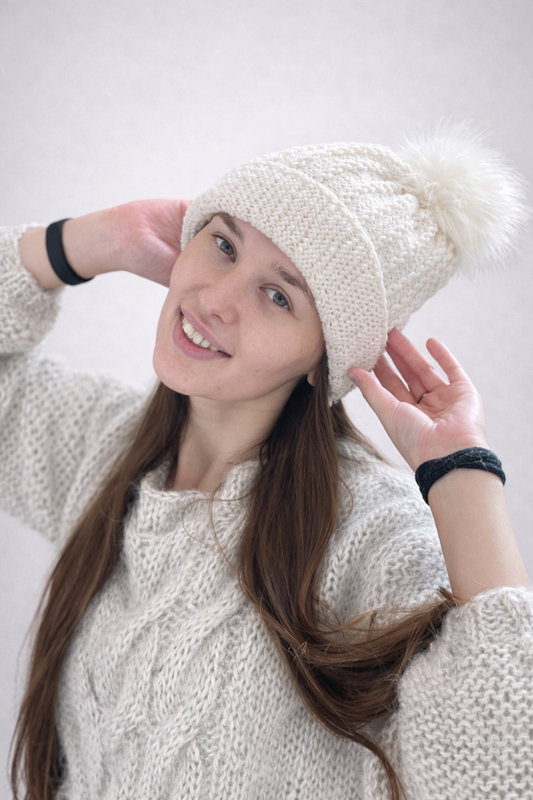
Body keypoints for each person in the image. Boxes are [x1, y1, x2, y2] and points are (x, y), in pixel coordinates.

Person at [2, 125, 532, 800]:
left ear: (323, 362)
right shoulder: (102, 448)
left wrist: (462, 477)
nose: (215, 300)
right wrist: (85, 242)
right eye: (222, 244)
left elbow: (501, 778)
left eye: (278, 296)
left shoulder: (370, 535)